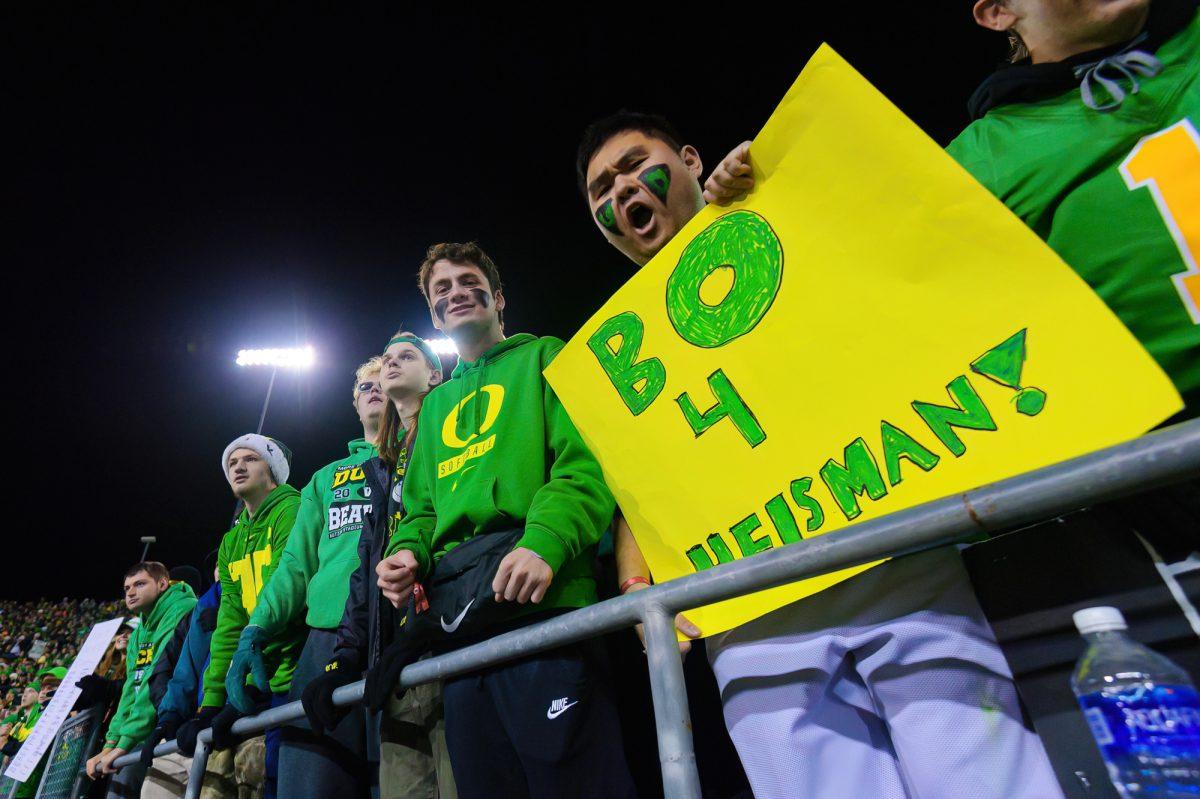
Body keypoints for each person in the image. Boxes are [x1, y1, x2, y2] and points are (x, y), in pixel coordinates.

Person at [576, 111, 1064, 799]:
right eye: (602, 188)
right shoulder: (618, 356)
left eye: (634, 164)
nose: (621, 187)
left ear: (690, 157)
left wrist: (773, 176)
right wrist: (640, 589)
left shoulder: (777, 207)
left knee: (984, 776)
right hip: (751, 612)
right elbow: (638, 486)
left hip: (890, 559)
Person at [373, 242, 635, 799]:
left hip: (546, 605)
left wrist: (544, 541)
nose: (455, 292)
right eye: (441, 289)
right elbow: (419, 508)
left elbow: (584, 466)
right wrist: (406, 554)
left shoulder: (547, 357)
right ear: (436, 315)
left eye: (468, 281)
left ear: (498, 298)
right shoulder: (436, 406)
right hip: (461, 627)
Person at [226, 358, 387, 798]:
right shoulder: (325, 478)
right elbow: (295, 565)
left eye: (383, 381)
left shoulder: (419, 453)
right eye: (364, 386)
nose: (374, 390)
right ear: (354, 403)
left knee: (395, 778)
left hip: (394, 627)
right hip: (324, 637)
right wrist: (257, 626)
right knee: (310, 780)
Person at [307, 337, 455, 798]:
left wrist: (429, 626)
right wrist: (348, 653)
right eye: (385, 360)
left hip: (451, 646)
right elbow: (365, 571)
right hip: (393, 660)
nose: (389, 366)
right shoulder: (382, 470)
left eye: (404, 357)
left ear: (435, 376)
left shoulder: (454, 433)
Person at [174, 434, 302, 799]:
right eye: (232, 463)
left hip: (289, 671)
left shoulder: (291, 510)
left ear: (273, 469)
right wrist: (212, 700)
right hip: (255, 675)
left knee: (278, 777)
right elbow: (230, 622)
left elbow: (287, 592)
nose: (239, 467)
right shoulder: (231, 542)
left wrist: (245, 683)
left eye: (250, 459)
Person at [85, 563, 197, 798]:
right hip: (145, 728)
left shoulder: (182, 609)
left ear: (163, 583)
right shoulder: (137, 634)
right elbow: (132, 687)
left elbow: (156, 676)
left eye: (140, 584)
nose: (130, 592)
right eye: (126, 588)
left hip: (174, 725)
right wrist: (111, 742)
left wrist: (125, 742)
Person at [138, 577, 221, 799]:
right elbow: (174, 669)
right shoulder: (204, 605)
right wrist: (169, 718)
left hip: (227, 725)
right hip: (184, 728)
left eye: (139, 584)